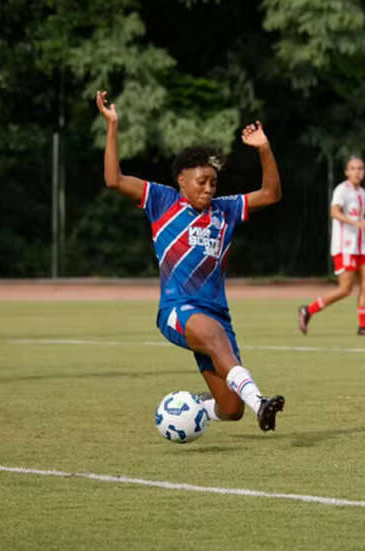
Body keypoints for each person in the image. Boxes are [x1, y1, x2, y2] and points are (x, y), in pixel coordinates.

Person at [96, 90, 285, 432]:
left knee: (229, 410)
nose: (210, 189)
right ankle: (260, 402)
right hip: (177, 310)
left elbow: (271, 194)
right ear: (181, 181)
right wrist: (112, 125)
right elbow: (114, 179)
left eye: (214, 182)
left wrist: (264, 149)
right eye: (202, 182)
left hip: (217, 315)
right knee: (214, 340)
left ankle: (191, 409)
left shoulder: (225, 211)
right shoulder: (163, 202)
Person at [298, 156, 365, 336]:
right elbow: (334, 212)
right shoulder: (341, 190)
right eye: (353, 168)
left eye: (360, 168)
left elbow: (362, 221)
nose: (357, 172)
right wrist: (356, 223)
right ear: (346, 172)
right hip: (345, 247)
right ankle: (308, 310)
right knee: (345, 289)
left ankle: (364, 326)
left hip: (361, 247)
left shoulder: (362, 193)